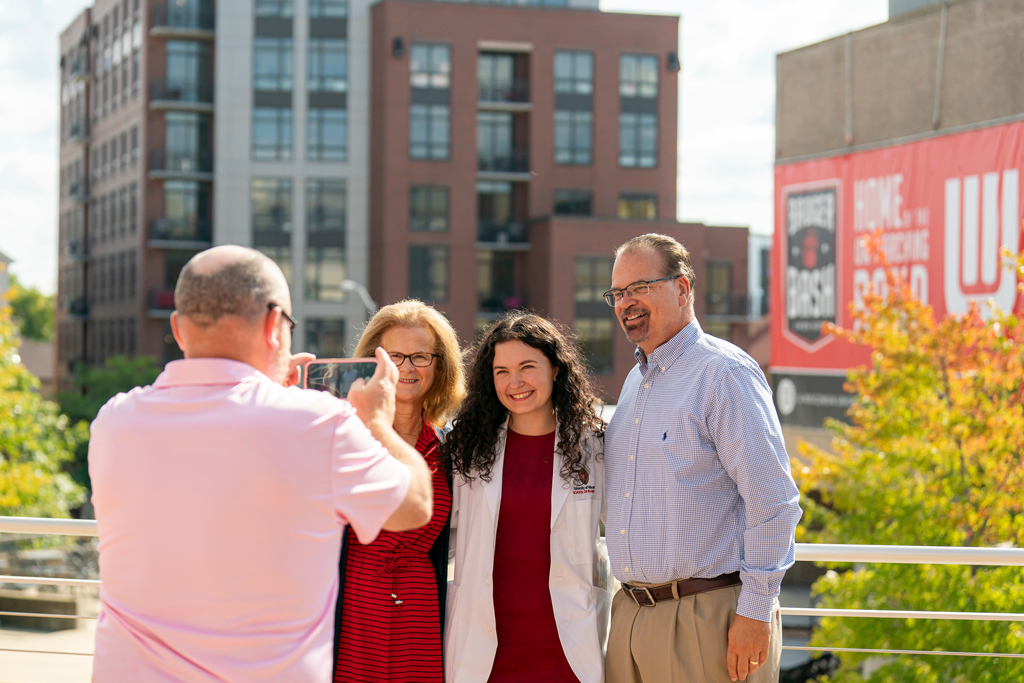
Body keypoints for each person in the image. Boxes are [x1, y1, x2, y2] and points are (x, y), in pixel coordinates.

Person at [88, 246, 433, 683]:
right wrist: (378, 423)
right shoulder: (319, 424)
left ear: (178, 329)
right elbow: (416, 503)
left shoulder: (114, 422)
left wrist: (271, 390)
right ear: (275, 325)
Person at [602, 233, 802, 683]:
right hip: (632, 615)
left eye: (639, 287)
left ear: (683, 287)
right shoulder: (636, 382)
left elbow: (775, 504)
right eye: (617, 293)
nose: (626, 302)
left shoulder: (723, 373)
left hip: (708, 617)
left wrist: (753, 614)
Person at [443, 313, 609, 683]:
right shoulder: (466, 449)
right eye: (501, 371)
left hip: (567, 646)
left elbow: (626, 531)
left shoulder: (594, 447)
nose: (514, 382)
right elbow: (441, 535)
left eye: (527, 367)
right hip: (486, 647)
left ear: (555, 370)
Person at [334, 300, 466, 682]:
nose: (406, 367)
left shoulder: (451, 450)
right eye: (394, 356)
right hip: (353, 607)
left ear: (439, 365)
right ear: (373, 363)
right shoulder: (346, 436)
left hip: (420, 607)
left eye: (420, 356)